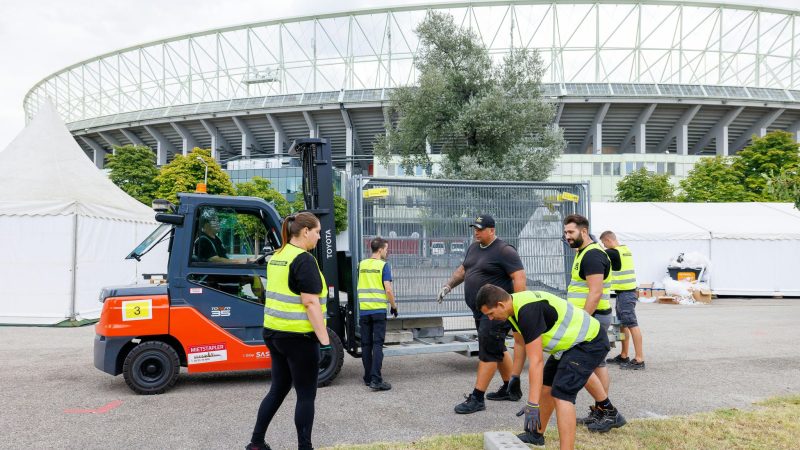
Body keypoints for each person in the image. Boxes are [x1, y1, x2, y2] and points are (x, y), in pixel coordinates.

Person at [477, 285, 626, 448]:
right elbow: (520, 344)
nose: (490, 319)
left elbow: (536, 361)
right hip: (568, 345)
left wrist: (532, 405)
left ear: (500, 304)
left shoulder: (527, 311)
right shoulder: (513, 308)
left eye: (490, 314)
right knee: (546, 386)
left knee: (562, 393)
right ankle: (536, 435)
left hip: (589, 341)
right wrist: (515, 376)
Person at [246, 212, 332, 450]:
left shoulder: (277, 256)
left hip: (274, 332)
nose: (318, 237)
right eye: (317, 232)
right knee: (306, 395)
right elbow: (310, 302)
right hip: (298, 337)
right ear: (305, 231)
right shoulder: (304, 259)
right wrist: (324, 341)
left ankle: (256, 442)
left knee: (278, 389)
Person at [437, 214, 527, 414]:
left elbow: (519, 278)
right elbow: (463, 270)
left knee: (488, 352)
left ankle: (477, 398)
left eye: (480, 228)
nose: (476, 232)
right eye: (474, 228)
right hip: (480, 311)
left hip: (497, 312)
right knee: (497, 347)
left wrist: (519, 307)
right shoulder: (474, 248)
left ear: (492, 230)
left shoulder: (505, 250)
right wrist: (448, 285)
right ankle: (511, 388)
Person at [562, 214, 616, 426]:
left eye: (571, 232)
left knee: (587, 365)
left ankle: (604, 411)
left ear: (583, 232)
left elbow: (595, 292)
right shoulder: (583, 252)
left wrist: (583, 320)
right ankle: (601, 410)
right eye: (565, 232)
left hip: (593, 318)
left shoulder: (592, 255)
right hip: (590, 317)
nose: (567, 236)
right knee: (597, 365)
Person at [358, 237, 399, 391]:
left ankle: (368, 378)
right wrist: (394, 306)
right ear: (380, 249)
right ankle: (376, 379)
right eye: (386, 249)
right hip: (378, 311)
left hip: (364, 311)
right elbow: (388, 289)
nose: (387, 252)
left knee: (366, 345)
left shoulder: (361, 265)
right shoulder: (383, 266)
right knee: (377, 345)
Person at [600, 231, 645, 370]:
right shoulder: (625, 249)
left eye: (604, 243)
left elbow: (598, 253)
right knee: (623, 324)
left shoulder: (614, 253)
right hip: (625, 293)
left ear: (608, 240)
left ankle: (639, 359)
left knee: (631, 324)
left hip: (626, 294)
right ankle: (624, 355)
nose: (604, 245)